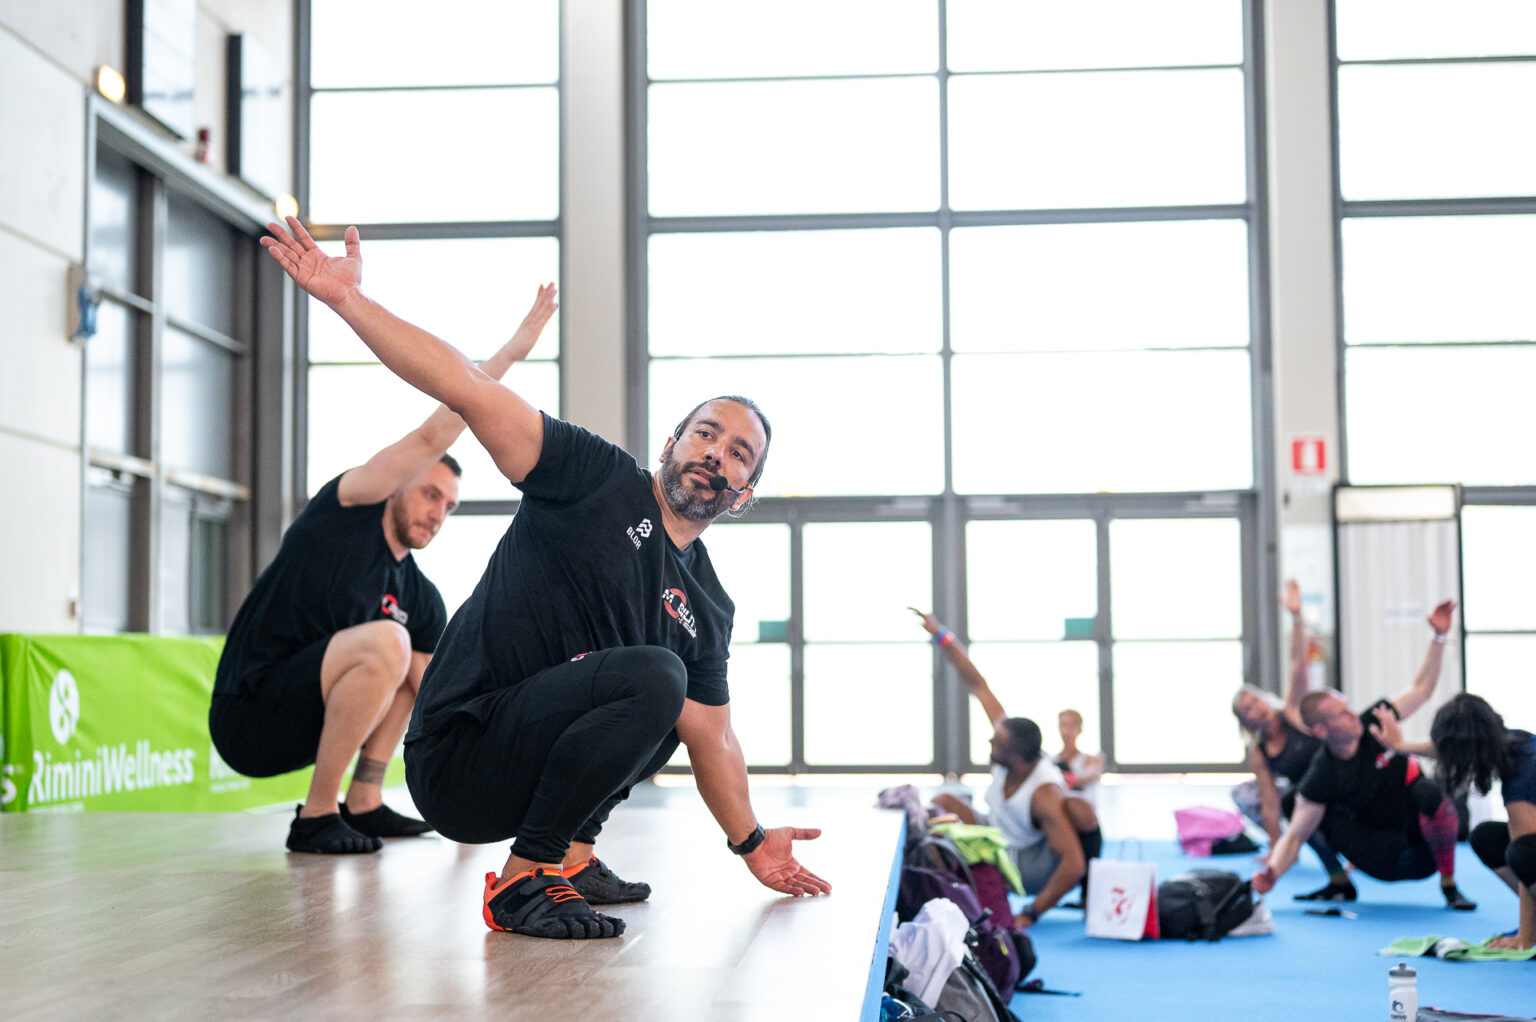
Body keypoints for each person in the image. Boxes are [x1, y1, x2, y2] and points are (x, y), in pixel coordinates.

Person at [260, 217, 829, 940]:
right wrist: (350, 303)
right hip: (459, 754)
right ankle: (526, 878)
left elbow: (714, 741)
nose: (718, 453)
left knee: (673, 701)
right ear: (671, 444)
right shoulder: (591, 477)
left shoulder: (707, 604)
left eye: (740, 453)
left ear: (745, 493)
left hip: (525, 763)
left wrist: (752, 844)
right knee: (654, 676)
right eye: (706, 433)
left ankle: (573, 855)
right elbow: (466, 385)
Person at [210, 281, 558, 856]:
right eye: (429, 495)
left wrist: (498, 763)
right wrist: (511, 355)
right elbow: (433, 431)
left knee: (415, 660)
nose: (437, 513)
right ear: (398, 483)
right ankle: (316, 815)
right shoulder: (346, 510)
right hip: (249, 714)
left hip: (305, 721)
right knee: (389, 644)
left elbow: (437, 693)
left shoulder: (418, 595)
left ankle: (363, 800)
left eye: (448, 507)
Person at [1252, 599, 1474, 910]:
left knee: (1428, 791)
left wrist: (1438, 638)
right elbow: (1295, 836)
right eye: (1342, 714)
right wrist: (1272, 872)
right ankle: (1339, 883)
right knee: (1297, 803)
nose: (1353, 714)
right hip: (1378, 857)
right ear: (1321, 731)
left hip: (1420, 849)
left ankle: (1449, 885)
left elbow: (1421, 689)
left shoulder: (1375, 723)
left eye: (1348, 708)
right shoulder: (1323, 772)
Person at [909, 608, 1103, 927]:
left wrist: (1031, 912)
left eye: (996, 743)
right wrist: (941, 634)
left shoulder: (1044, 792)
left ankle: (972, 894)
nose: (990, 742)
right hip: (997, 833)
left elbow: (1072, 864)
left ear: (1015, 758)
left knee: (1079, 810)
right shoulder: (1012, 747)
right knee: (944, 802)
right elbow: (978, 684)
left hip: (1026, 865)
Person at [1230, 581, 1351, 900]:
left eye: (1256, 700)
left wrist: (1297, 618)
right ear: (1246, 721)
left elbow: (1299, 664)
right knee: (1289, 801)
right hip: (1309, 797)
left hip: (1341, 781)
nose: (1257, 707)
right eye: (1248, 709)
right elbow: (1269, 803)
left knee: (1300, 798)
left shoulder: (1293, 712)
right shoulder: (1260, 751)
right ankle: (1337, 878)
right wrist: (1275, 850)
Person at [1425, 694, 1536, 948]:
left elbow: (1528, 860)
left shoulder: (1522, 776)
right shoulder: (1519, 742)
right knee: (1486, 837)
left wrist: (1526, 937)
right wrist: (1397, 744)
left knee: (1523, 853)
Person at [1054, 709, 1103, 806]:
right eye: (1063, 725)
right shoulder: (1052, 761)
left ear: (1080, 729)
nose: (1067, 731)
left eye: (1072, 726)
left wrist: (1065, 779)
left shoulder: (1091, 759)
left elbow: (1089, 776)